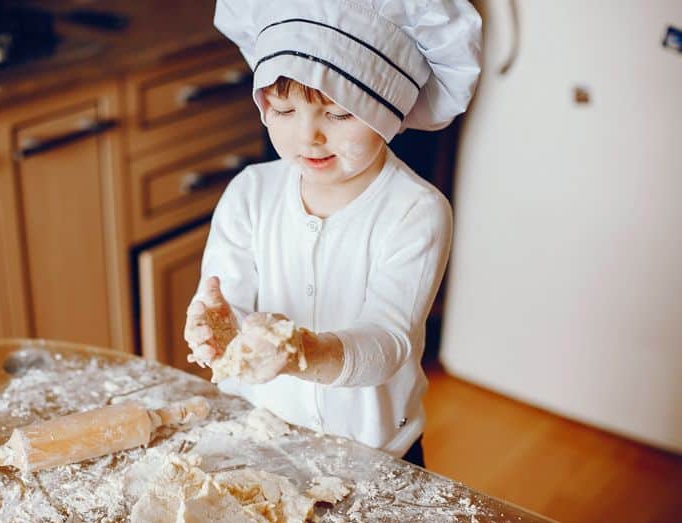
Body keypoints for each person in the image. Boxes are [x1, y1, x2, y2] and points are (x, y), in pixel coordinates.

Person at [183, 0, 481, 467]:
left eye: (339, 115)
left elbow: (388, 340)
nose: (308, 137)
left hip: (376, 455)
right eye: (282, 110)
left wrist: (304, 352)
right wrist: (215, 324)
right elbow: (227, 302)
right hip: (261, 438)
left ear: (390, 109)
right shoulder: (250, 193)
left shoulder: (416, 212)